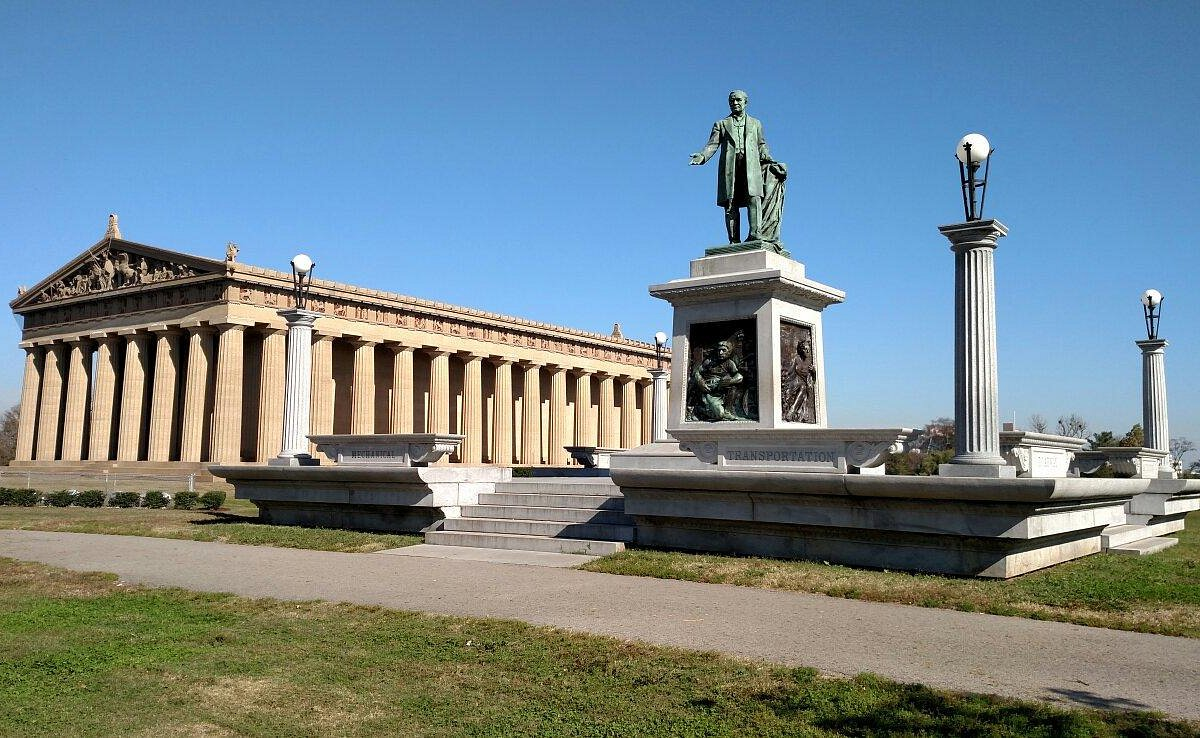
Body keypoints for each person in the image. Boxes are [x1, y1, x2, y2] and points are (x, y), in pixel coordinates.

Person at [690, 90, 776, 244]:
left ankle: (755, 234)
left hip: (751, 166)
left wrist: (767, 156)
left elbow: (761, 144)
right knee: (731, 202)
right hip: (730, 168)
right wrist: (702, 156)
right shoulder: (721, 124)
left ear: (745, 102)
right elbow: (712, 145)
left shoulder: (756, 123)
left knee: (754, 198)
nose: (735, 103)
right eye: (732, 101)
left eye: (738, 100)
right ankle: (734, 240)